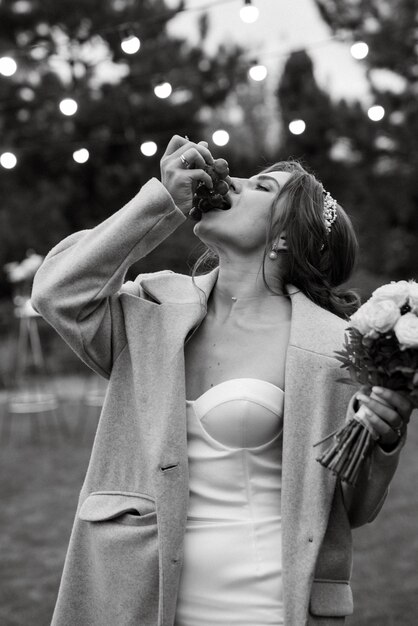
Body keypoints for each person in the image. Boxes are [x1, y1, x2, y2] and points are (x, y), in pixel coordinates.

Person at [31, 135, 413, 626]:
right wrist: (161, 203)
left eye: (260, 186)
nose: (228, 179)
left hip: (271, 604)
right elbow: (57, 292)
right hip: (139, 597)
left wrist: (384, 440)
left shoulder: (336, 347)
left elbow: (352, 507)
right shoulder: (150, 309)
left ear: (284, 236)